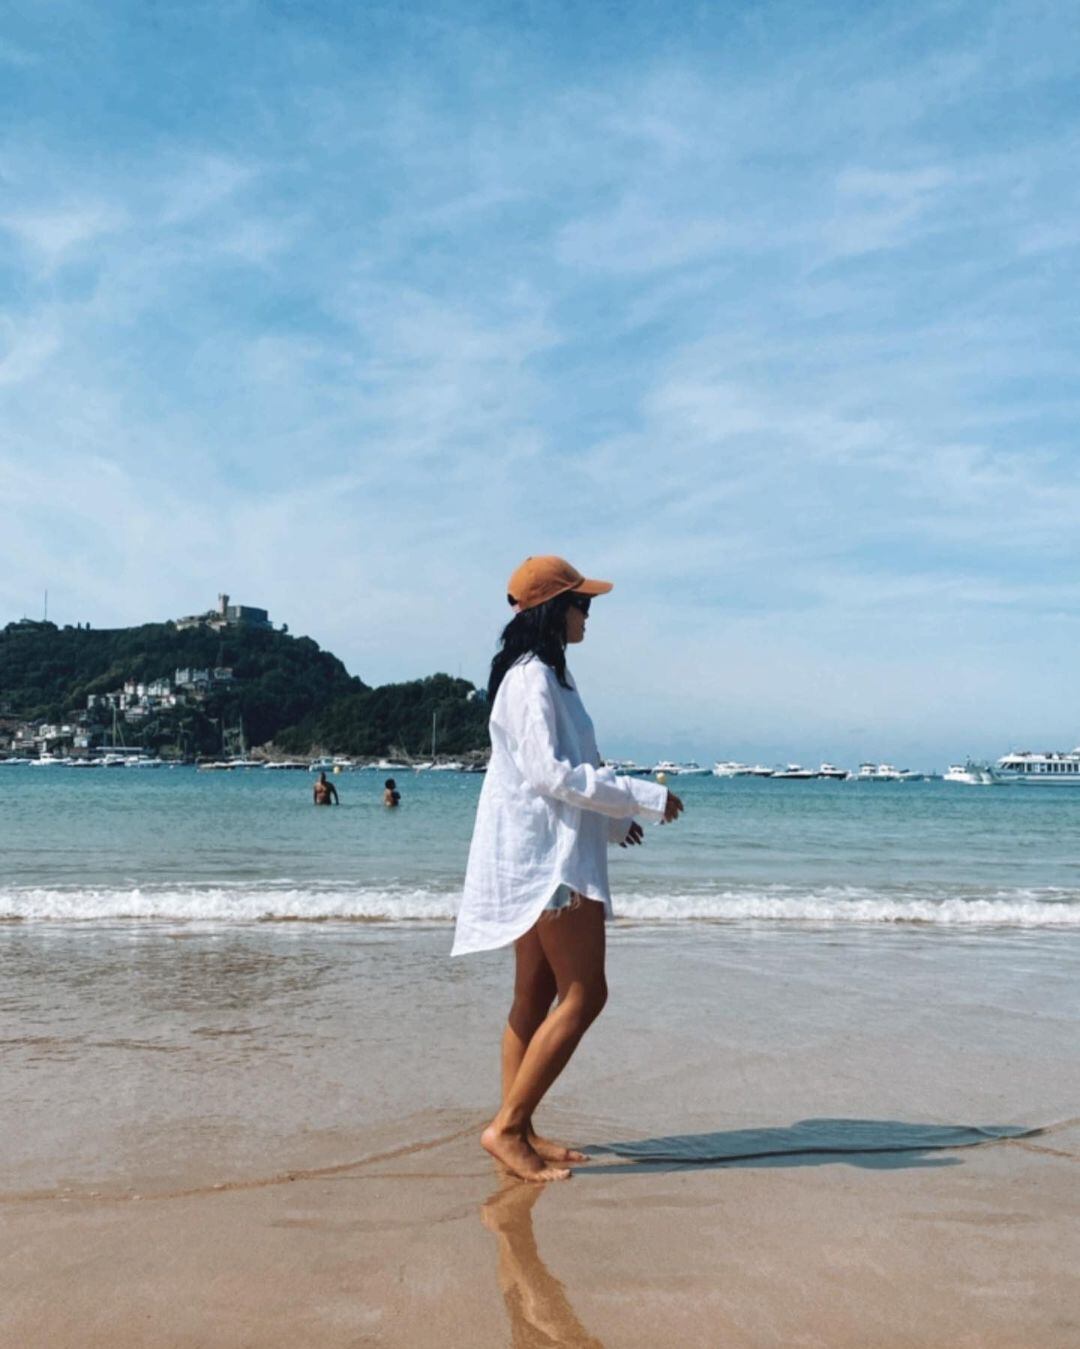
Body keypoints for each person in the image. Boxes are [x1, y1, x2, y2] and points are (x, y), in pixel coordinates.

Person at [452, 555, 684, 1182]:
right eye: (583, 604)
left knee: (534, 994)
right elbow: (549, 774)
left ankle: (518, 1129)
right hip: (548, 862)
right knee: (586, 993)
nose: (589, 615)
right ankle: (505, 1129)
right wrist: (644, 796)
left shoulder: (549, 678)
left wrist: (613, 819)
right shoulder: (531, 680)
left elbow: (574, 768)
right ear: (556, 610)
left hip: (540, 857)